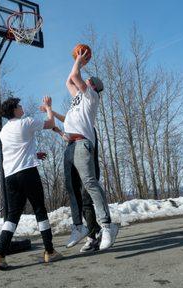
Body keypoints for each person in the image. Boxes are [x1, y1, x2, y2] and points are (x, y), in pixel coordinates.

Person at [0, 96, 63, 270]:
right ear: (15, 110)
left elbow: (18, 150)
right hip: (28, 173)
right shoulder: (26, 122)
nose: (21, 106)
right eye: (19, 105)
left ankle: (0, 255)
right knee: (39, 209)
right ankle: (49, 251)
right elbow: (50, 123)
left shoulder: (2, 132)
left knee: (12, 216)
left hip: (10, 176)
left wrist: (34, 154)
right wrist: (48, 107)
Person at [63, 48, 118, 250]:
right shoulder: (78, 97)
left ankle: (107, 225)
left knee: (90, 184)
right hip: (70, 146)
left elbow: (75, 76)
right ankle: (79, 227)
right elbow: (69, 81)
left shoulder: (91, 97)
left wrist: (79, 60)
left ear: (92, 86)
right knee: (72, 189)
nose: (84, 80)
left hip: (82, 144)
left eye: (88, 80)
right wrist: (78, 64)